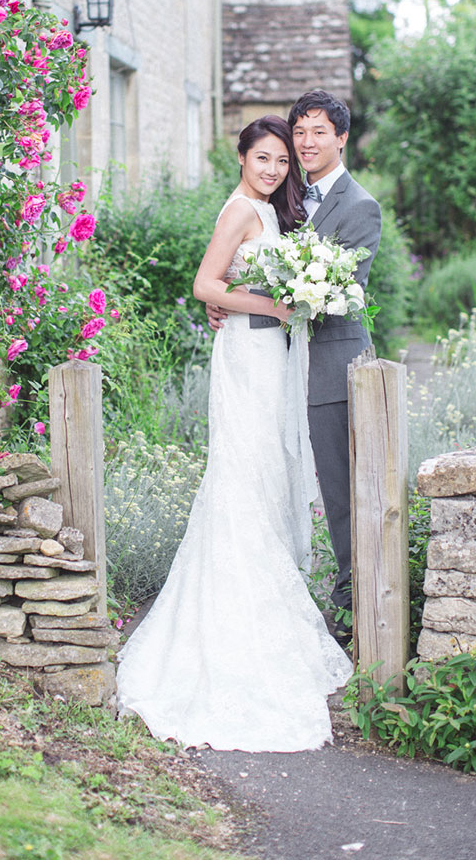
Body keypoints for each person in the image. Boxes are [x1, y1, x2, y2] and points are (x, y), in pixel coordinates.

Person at [116, 116, 352, 753]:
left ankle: (263, 609)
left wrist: (270, 301)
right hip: (246, 359)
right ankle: (239, 621)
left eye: (282, 161)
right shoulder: (240, 210)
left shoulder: (270, 213)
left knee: (267, 476)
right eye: (264, 158)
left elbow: (236, 287)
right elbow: (204, 284)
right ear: (242, 157)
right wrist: (273, 305)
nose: (274, 169)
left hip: (268, 358)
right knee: (242, 476)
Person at [208, 91, 381, 640]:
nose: (305, 144)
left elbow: (345, 292)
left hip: (331, 365)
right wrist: (227, 297)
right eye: (298, 133)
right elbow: (251, 266)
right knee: (272, 477)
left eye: (317, 133)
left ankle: (356, 611)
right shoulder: (285, 196)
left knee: (340, 491)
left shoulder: (359, 206)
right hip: (274, 364)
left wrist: (266, 298)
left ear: (342, 138)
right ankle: (270, 596)